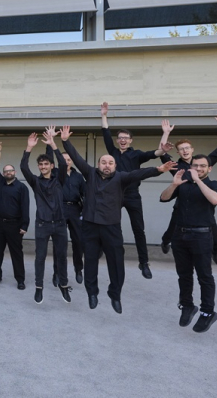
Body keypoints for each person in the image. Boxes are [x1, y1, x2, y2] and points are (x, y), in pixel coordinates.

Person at [61, 125, 176, 314]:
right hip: (90, 226)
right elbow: (76, 158)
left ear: (115, 166)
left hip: (111, 228)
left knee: (116, 263)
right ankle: (92, 293)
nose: (106, 165)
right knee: (90, 261)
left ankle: (115, 294)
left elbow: (139, 173)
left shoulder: (121, 178)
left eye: (110, 163)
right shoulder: (90, 174)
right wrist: (65, 140)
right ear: (98, 165)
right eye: (103, 162)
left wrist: (160, 169)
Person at [101, 102, 170, 279]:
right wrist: (104, 116)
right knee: (108, 226)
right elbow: (105, 134)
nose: (122, 140)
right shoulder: (112, 152)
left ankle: (144, 262)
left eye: (126, 137)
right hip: (114, 195)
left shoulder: (136, 154)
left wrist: (164, 141)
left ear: (130, 140)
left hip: (132, 196)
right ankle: (106, 251)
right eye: (120, 137)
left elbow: (154, 154)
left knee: (139, 229)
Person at [159, 156, 217, 333]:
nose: (198, 168)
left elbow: (215, 200)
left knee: (204, 276)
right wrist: (174, 184)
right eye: (195, 165)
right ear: (190, 166)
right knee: (184, 274)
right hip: (180, 235)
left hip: (202, 236)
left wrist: (196, 180)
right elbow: (164, 198)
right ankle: (187, 306)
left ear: (209, 169)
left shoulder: (214, 184)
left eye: (203, 166)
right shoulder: (183, 184)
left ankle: (208, 312)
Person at [159, 116, 217, 266]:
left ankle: (215, 250)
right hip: (182, 206)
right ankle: (165, 243)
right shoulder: (175, 165)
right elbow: (162, 151)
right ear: (178, 152)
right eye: (181, 149)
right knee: (171, 232)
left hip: (201, 208)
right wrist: (165, 133)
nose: (184, 150)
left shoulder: (203, 162)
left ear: (192, 149)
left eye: (187, 148)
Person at [20, 128, 71, 304]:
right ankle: (39, 288)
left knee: (62, 256)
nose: (43, 167)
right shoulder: (35, 182)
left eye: (46, 164)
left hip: (59, 224)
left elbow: (64, 164)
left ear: (51, 166)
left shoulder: (60, 180)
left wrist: (53, 144)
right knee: (40, 257)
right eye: (40, 165)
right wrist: (29, 148)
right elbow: (23, 167)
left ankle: (64, 285)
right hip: (42, 225)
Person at [0, 145, 30, 290]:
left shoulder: (21, 188)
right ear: (3, 173)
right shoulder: (1, 183)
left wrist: (24, 225)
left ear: (15, 172)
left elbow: (25, 207)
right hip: (0, 224)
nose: (8, 173)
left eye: (10, 170)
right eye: (5, 171)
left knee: (17, 253)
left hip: (15, 225)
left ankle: (20, 279)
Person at [45, 145, 86, 285]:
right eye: (64, 159)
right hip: (59, 209)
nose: (67, 162)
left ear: (72, 161)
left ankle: (78, 269)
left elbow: (85, 193)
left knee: (78, 241)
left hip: (75, 209)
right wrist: (50, 143)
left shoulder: (78, 177)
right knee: (59, 244)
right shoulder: (54, 173)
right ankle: (57, 272)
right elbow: (48, 157)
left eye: (69, 159)